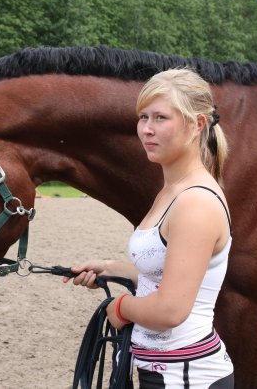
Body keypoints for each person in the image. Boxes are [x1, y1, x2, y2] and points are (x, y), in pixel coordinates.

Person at [63, 68, 234, 388]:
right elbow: (167, 276)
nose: (147, 129)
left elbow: (170, 310)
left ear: (198, 124)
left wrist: (120, 307)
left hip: (186, 376)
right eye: (143, 117)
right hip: (165, 371)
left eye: (160, 118)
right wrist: (111, 269)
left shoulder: (196, 203)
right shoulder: (172, 191)